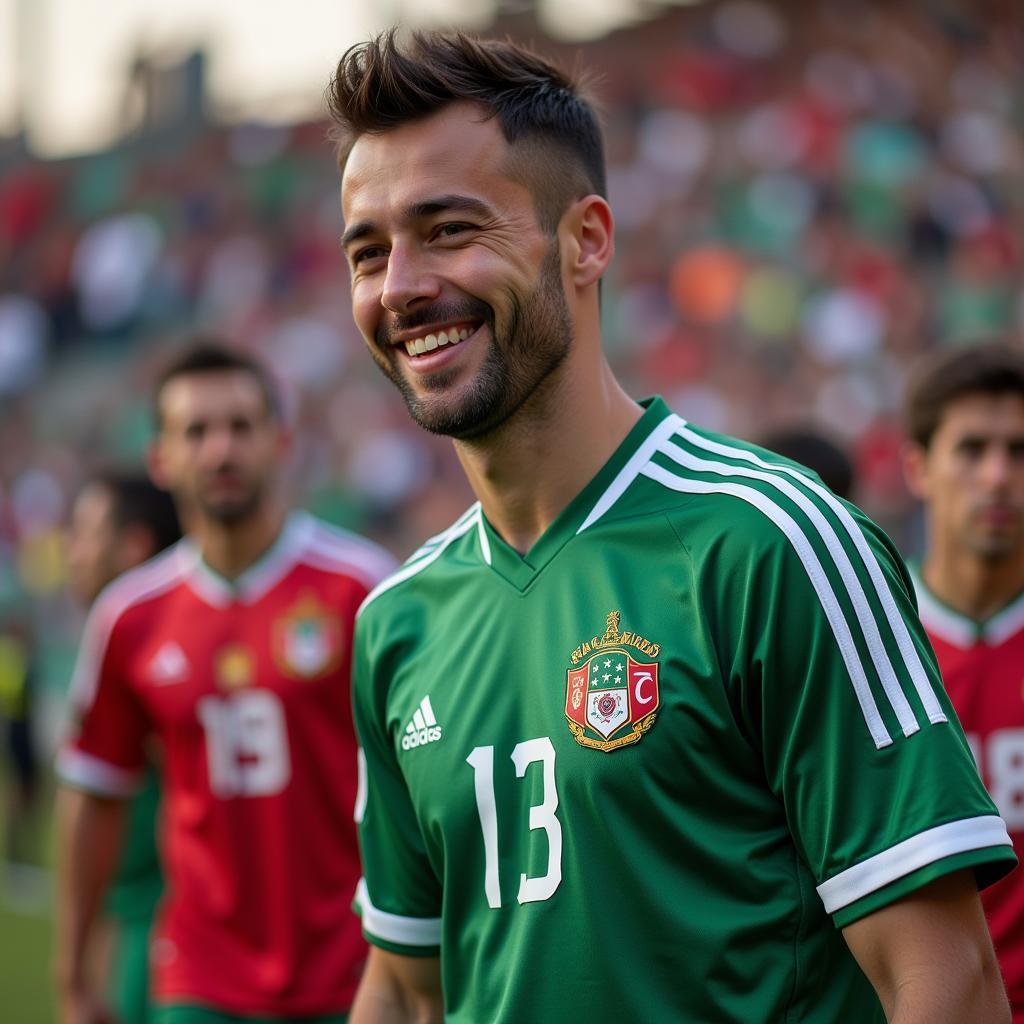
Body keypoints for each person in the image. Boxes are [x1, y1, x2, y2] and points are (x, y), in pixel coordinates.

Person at [328, 31, 1016, 1023]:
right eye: (368, 249)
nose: (398, 285)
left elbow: (944, 976)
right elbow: (403, 985)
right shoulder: (399, 623)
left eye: (447, 229)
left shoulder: (774, 544)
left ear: (587, 240)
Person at [54, 341, 395, 1024]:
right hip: (198, 976)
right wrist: (73, 973)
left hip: (351, 966)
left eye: (241, 427)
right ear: (162, 457)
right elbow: (95, 798)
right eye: (197, 431)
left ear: (282, 440)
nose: (221, 451)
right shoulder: (130, 617)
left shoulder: (362, 588)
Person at [902, 340, 1024, 1022]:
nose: (999, 476)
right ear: (919, 468)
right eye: (972, 449)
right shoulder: (865, 642)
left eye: (1019, 451)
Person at [65, 470, 183, 1024]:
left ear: (133, 547)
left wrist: (73, 971)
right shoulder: (119, 641)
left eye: (86, 533)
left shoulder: (159, 649)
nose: (73, 552)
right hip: (139, 928)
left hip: (165, 941)